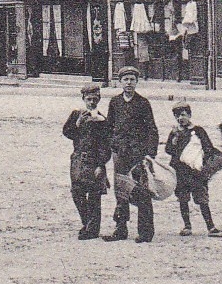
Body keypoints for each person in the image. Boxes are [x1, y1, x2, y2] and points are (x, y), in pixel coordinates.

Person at [103, 66, 159, 244]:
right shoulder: (115, 102)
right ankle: (121, 229)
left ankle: (145, 232)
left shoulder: (143, 103)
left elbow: (151, 129)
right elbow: (109, 127)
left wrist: (149, 154)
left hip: (137, 154)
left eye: (132, 80)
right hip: (120, 153)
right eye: (125, 79)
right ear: (120, 82)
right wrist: (113, 144)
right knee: (121, 192)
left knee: (142, 191)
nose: (129, 83)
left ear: (137, 82)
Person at [164, 103, 222, 237]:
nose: (180, 118)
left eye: (183, 115)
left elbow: (208, 148)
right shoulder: (174, 133)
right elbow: (168, 150)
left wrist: (213, 160)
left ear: (189, 115)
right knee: (183, 199)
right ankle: (187, 226)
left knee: (202, 198)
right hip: (180, 171)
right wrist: (173, 142)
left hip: (196, 171)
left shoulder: (198, 131)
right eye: (177, 115)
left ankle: (211, 227)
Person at [63, 83, 111, 240]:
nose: (91, 102)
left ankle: (92, 229)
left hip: (94, 161)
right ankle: (87, 223)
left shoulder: (102, 119)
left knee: (95, 195)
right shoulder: (77, 115)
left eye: (94, 99)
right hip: (78, 160)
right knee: (77, 192)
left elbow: (105, 144)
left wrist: (100, 164)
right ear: (83, 99)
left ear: (99, 99)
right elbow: (67, 133)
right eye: (88, 99)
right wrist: (77, 124)